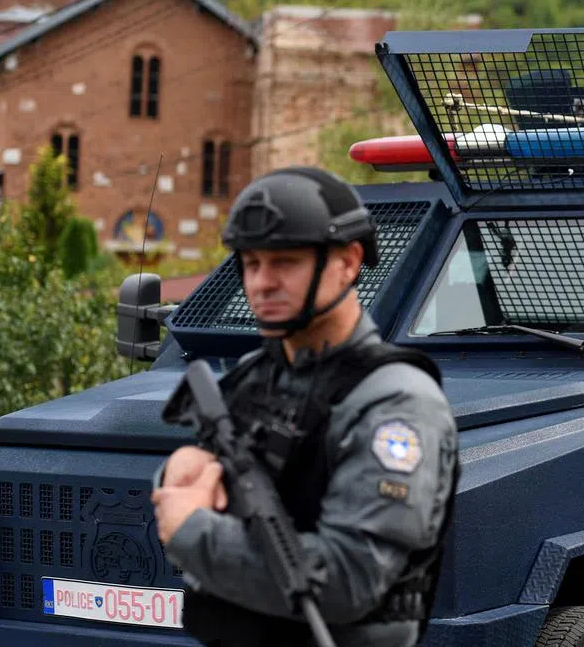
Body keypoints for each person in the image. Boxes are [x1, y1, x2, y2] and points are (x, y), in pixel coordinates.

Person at [150, 166, 460, 647]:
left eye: (285, 262)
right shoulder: (260, 373)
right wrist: (184, 467)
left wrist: (192, 532)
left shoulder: (394, 400)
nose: (261, 283)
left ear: (349, 262)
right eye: (251, 264)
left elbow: (349, 580)